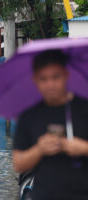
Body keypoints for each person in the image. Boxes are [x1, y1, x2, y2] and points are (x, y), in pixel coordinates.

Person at [13, 50, 88, 200]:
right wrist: (39, 149)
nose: (50, 84)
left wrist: (83, 148)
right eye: (43, 79)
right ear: (35, 80)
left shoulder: (84, 108)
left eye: (56, 77)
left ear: (66, 75)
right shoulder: (28, 116)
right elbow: (19, 164)